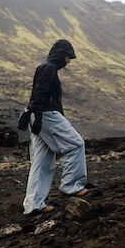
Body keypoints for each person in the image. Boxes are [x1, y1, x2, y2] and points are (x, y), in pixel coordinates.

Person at [22, 39, 87, 215]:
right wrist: (39, 117)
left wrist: (33, 116)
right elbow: (40, 93)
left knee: (42, 160)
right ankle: (71, 186)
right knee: (76, 144)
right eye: (68, 57)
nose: (69, 61)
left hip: (38, 114)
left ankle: (34, 204)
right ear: (60, 55)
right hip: (46, 114)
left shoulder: (46, 68)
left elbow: (37, 94)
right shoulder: (48, 68)